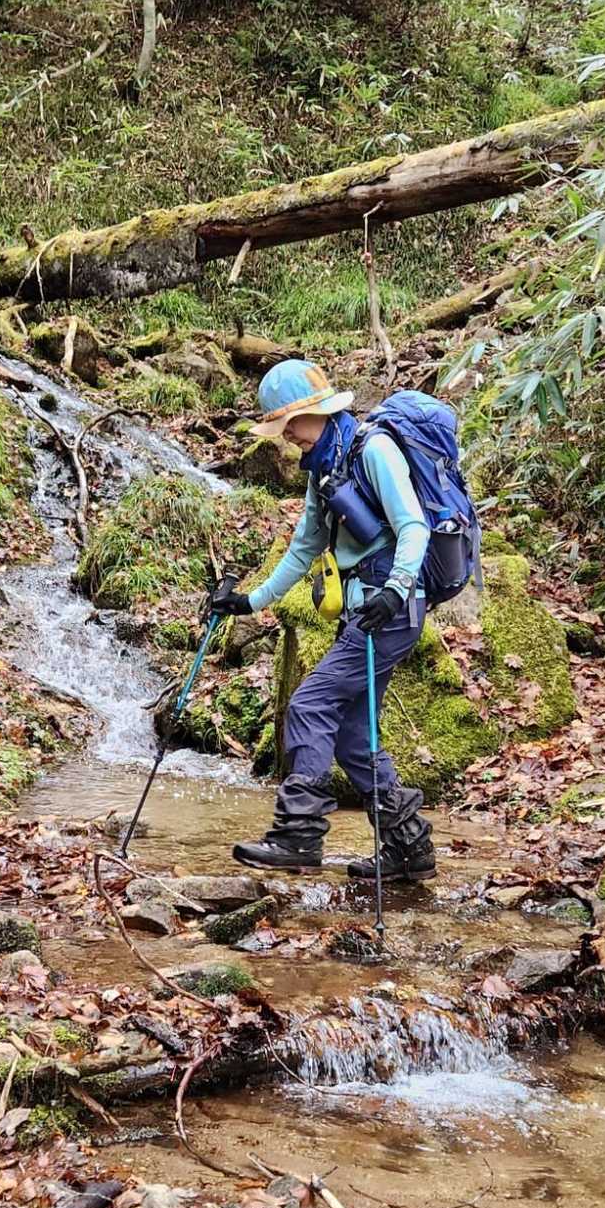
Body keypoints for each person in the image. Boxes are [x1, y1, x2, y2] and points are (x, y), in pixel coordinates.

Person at [210, 359, 436, 880]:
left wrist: (395, 590)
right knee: (354, 736)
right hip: (365, 611)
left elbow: (414, 527)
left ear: (319, 412)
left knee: (310, 705)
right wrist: (250, 602)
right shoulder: (323, 469)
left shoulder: (374, 450)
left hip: (390, 611)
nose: (287, 436)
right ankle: (409, 849)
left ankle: (297, 837)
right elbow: (304, 548)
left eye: (289, 424)